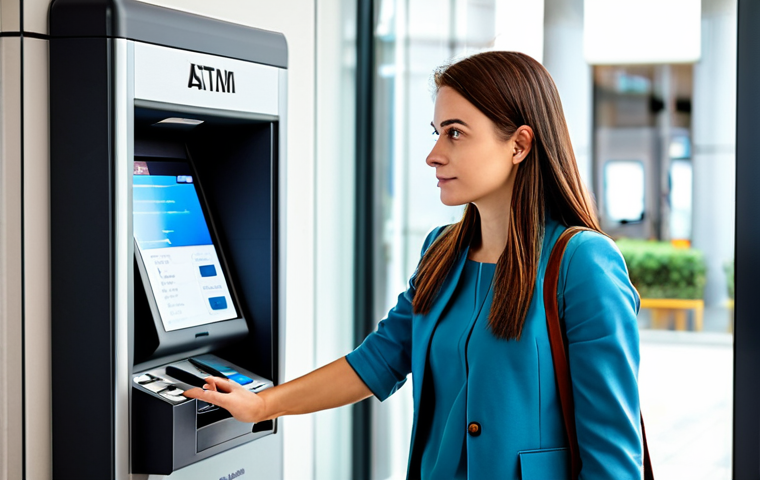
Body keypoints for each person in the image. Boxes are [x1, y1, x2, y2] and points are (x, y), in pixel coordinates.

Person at [184, 51, 644, 479]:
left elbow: (613, 456)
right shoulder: (441, 251)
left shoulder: (582, 263)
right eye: (437, 132)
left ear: (519, 144)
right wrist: (263, 405)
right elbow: (379, 360)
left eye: (456, 133)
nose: (434, 154)